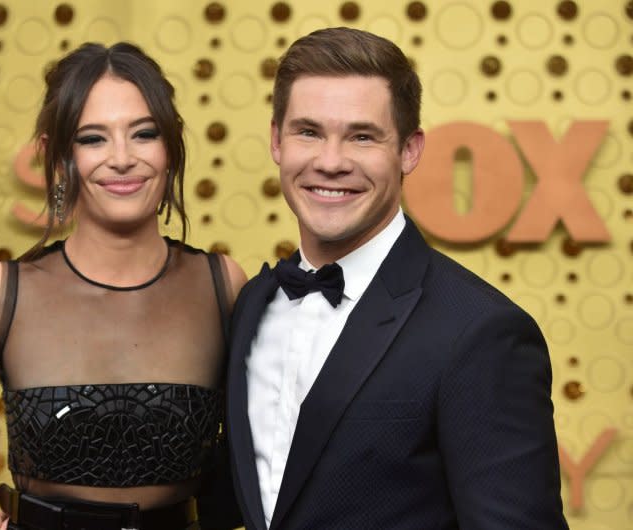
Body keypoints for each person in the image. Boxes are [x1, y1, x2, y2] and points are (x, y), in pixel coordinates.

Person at [0, 42, 247, 530]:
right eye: (93, 138)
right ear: (59, 156)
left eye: (144, 133)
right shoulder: (2, 294)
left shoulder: (222, 285)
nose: (121, 158)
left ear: (170, 147)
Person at [225, 28, 568, 529]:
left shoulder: (480, 332)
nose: (330, 161)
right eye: (309, 132)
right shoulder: (253, 302)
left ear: (409, 150)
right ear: (277, 140)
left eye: (362, 136)